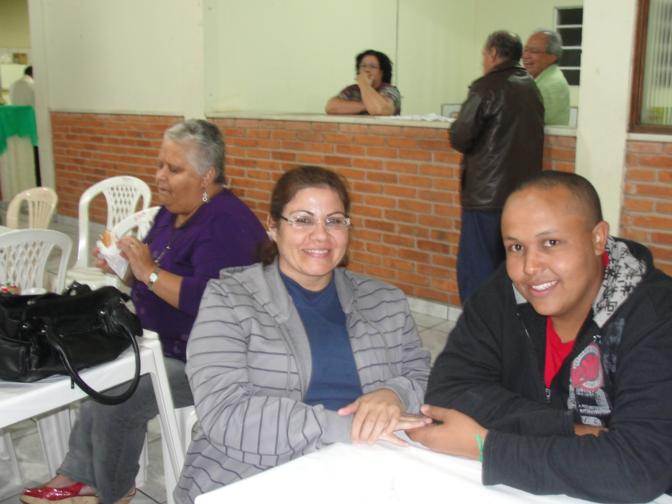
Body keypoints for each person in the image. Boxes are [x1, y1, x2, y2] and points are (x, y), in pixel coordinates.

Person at [21, 119, 267, 504]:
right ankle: (78, 476)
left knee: (121, 392)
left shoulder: (227, 223)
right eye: (159, 165)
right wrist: (125, 266)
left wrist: (147, 271)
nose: (160, 177)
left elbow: (209, 300)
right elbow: (151, 275)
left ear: (207, 175)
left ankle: (112, 491)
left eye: (174, 169)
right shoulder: (173, 211)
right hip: (159, 342)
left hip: (210, 359)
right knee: (98, 372)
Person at [408, 171, 672, 502]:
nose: (530, 267)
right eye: (516, 247)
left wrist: (487, 446)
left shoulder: (655, 314)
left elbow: (638, 467)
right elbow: (447, 394)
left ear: (597, 239)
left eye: (551, 243)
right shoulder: (503, 293)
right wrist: (569, 429)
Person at [174, 165, 430, 503]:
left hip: (369, 468)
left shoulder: (385, 300)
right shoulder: (228, 300)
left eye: (334, 221)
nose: (321, 236)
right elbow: (226, 413)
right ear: (273, 227)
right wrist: (344, 427)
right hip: (255, 475)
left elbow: (423, 375)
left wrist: (395, 393)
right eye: (303, 220)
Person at [450, 30, 544, 303]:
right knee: (512, 265)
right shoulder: (531, 87)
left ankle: (477, 324)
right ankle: (507, 322)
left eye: (484, 54)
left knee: (477, 269)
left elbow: (460, 137)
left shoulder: (486, 87)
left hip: (486, 196)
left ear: (492, 53)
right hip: (522, 196)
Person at [325, 49, 401, 116]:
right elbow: (330, 107)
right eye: (363, 66)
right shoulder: (352, 90)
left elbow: (380, 110)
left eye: (373, 66)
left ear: (382, 72)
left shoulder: (390, 90)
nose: (367, 70)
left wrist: (364, 84)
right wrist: (367, 106)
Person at [523, 30, 571, 126]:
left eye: (534, 51)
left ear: (552, 57)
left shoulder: (550, 85)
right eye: (525, 50)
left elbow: (526, 125)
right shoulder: (548, 77)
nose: (525, 56)